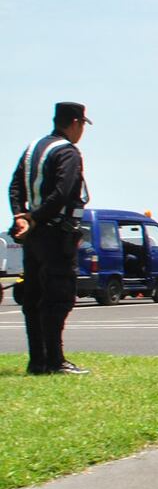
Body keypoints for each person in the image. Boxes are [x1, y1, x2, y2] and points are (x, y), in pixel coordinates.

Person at [8, 102, 92, 376]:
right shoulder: (67, 152)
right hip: (55, 234)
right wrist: (36, 217)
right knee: (58, 297)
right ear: (75, 123)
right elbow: (63, 192)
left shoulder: (33, 149)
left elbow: (15, 186)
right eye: (81, 125)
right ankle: (55, 361)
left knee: (34, 298)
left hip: (33, 237)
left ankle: (38, 361)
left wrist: (21, 216)